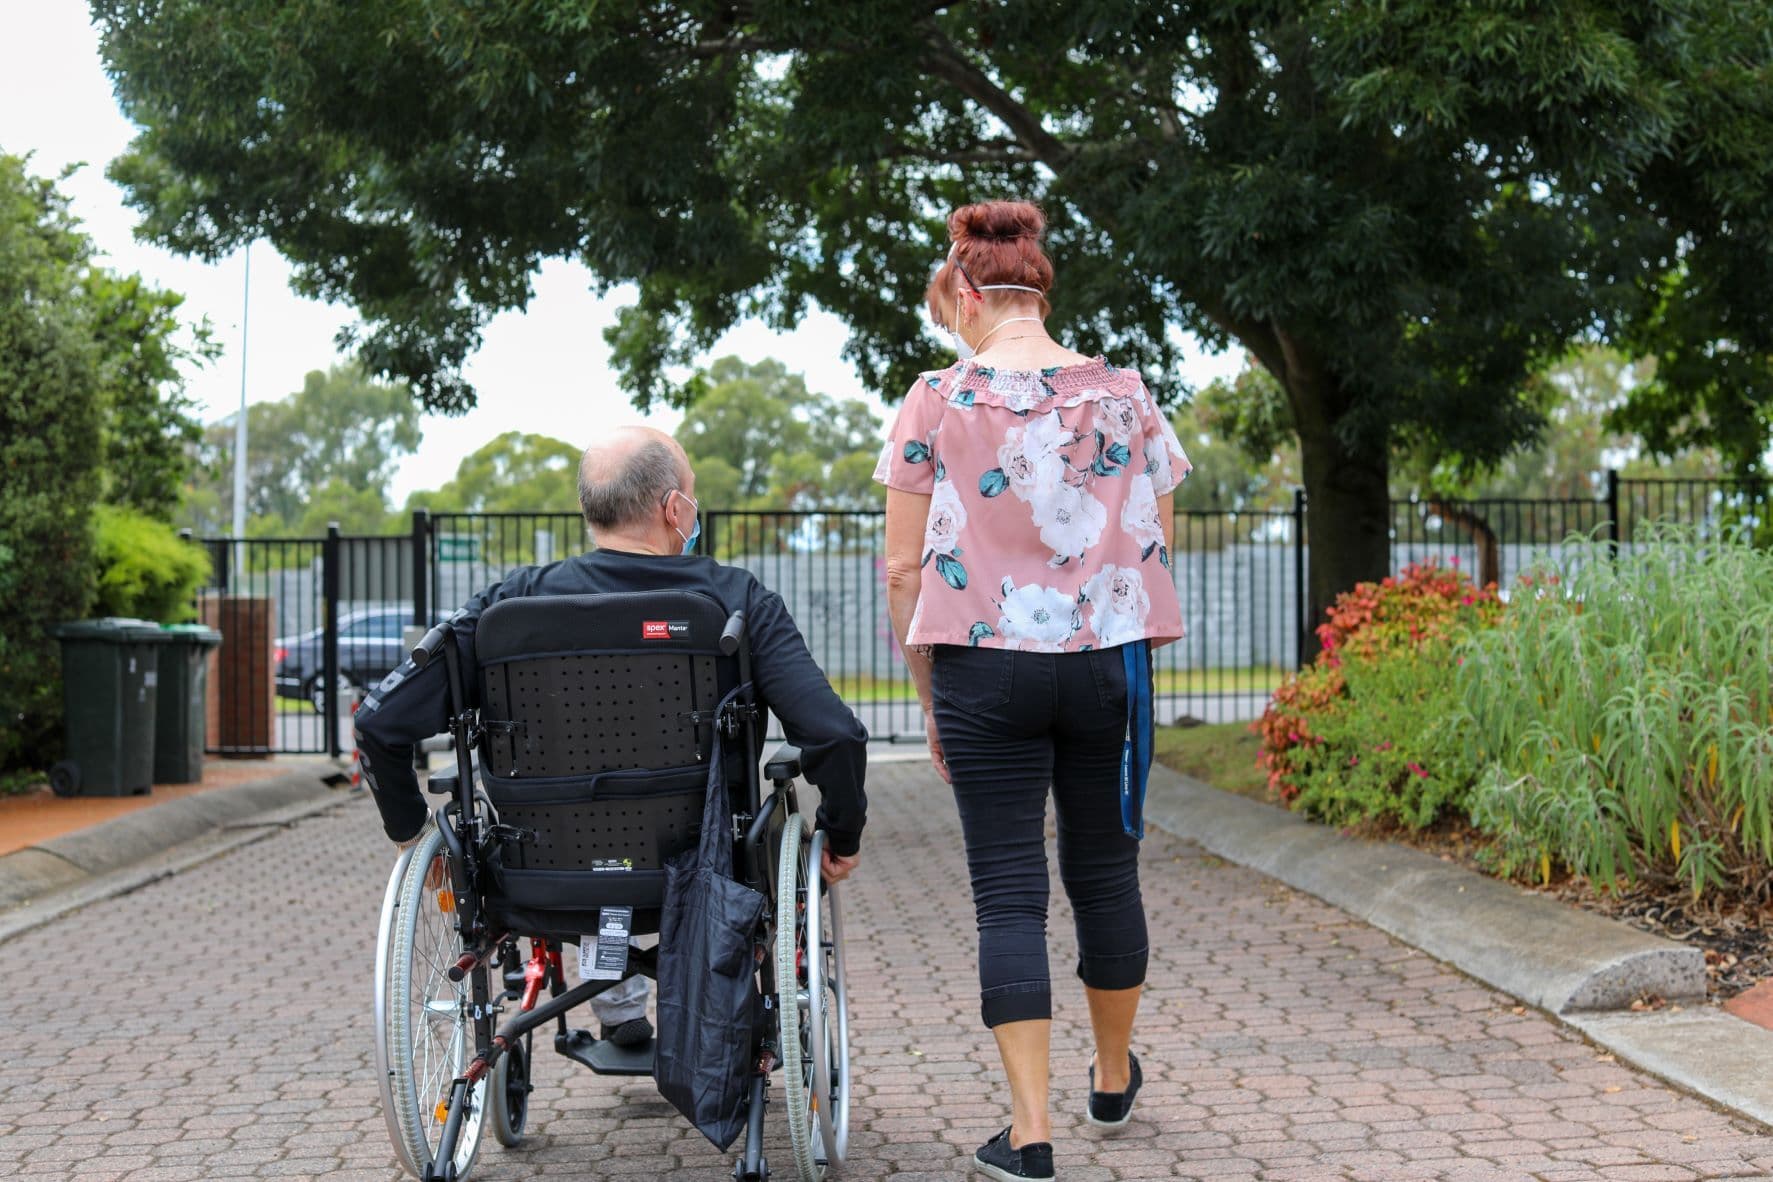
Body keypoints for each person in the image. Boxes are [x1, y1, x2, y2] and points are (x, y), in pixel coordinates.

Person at [357, 425, 867, 1044]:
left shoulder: (509, 605)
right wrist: (842, 833)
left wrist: (412, 833)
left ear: (590, 508)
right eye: (693, 497)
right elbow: (835, 733)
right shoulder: (738, 600)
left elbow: (379, 721)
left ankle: (617, 1005)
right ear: (674, 509)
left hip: (542, 875)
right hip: (710, 870)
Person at [877, 200, 1190, 1182]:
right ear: (1039, 288)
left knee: (1007, 890)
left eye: (946, 306)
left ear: (967, 294)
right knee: (1105, 871)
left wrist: (929, 695)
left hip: (982, 668)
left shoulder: (935, 398)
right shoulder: (1127, 394)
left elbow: (902, 569)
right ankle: (1111, 1079)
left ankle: (1029, 1132)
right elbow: (1155, 535)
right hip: (1105, 663)